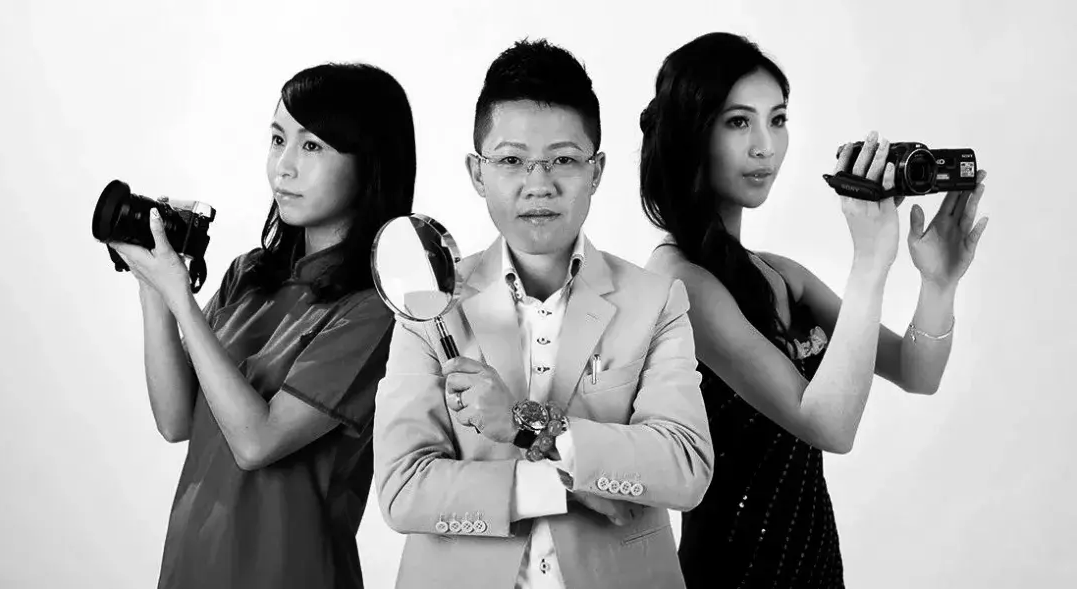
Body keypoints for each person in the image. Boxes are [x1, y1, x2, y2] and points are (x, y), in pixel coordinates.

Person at [639, 32, 989, 588]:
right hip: (735, 574)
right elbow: (829, 426)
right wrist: (870, 262)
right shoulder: (679, 283)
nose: (765, 146)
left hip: (817, 566)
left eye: (777, 119)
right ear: (692, 131)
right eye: (738, 122)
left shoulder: (779, 274)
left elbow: (915, 372)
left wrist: (938, 283)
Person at [373, 39, 714, 589]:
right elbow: (402, 489)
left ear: (596, 171)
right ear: (477, 173)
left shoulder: (656, 300)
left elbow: (684, 467)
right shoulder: (429, 302)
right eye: (511, 160)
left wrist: (524, 423)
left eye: (564, 159)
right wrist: (559, 487)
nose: (539, 184)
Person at [107, 62, 417, 589]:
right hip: (193, 564)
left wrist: (181, 298)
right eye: (278, 140)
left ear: (371, 164)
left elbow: (257, 442)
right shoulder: (249, 276)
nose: (283, 167)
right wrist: (153, 285)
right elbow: (175, 420)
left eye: (312, 146)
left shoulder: (375, 309)